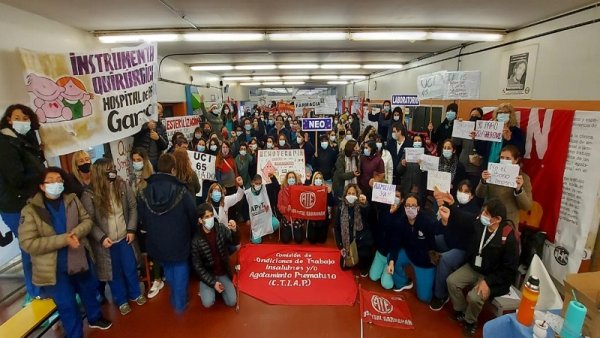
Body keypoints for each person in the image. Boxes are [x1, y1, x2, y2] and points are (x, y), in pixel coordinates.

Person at [19, 167, 112, 337]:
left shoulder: (72, 199)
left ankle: (95, 318)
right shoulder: (30, 210)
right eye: (51, 181)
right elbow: (28, 243)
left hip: (79, 257)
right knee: (67, 303)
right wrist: (63, 240)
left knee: (88, 291)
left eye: (59, 180)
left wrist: (76, 233)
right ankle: (75, 333)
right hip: (54, 268)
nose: (56, 183)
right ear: (41, 186)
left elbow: (86, 220)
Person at [442, 199, 519, 337]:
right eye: (483, 211)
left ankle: (470, 322)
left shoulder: (508, 238)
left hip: (491, 276)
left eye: (487, 213)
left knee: (474, 297)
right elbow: (464, 218)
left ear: (497, 219)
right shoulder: (480, 224)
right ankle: (462, 311)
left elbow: (509, 270)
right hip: (474, 267)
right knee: (452, 281)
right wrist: (452, 206)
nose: (482, 214)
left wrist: (488, 282)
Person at [81, 158, 146, 315]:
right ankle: (121, 300)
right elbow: (88, 220)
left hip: (125, 237)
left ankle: (135, 293)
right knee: (114, 273)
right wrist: (101, 237)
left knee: (130, 267)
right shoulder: (89, 195)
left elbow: (132, 207)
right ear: (100, 173)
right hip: (107, 242)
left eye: (113, 168)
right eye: (109, 169)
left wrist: (131, 229)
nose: (113, 171)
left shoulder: (122, 185)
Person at [138, 154, 197, 313]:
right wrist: (193, 233)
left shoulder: (144, 192)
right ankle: (179, 301)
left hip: (156, 241)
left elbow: (141, 217)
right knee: (180, 267)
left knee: (167, 266)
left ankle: (176, 294)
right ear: (173, 170)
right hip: (179, 239)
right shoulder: (181, 190)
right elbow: (192, 214)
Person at [0, 104, 45, 301]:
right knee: (29, 247)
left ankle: (43, 288)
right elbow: (16, 177)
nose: (23, 121)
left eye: (26, 118)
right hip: (16, 205)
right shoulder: (5, 143)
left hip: (28, 201)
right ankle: (35, 293)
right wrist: (42, 177)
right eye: (18, 117)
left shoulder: (24, 140)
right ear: (9, 120)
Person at [429, 182, 480, 311]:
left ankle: (440, 295)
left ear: (472, 195)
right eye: (460, 190)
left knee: (445, 259)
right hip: (449, 241)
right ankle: (426, 274)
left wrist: (451, 211)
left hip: (462, 248)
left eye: (466, 191)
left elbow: (463, 221)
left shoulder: (475, 211)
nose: (462, 193)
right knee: (433, 238)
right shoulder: (454, 204)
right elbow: (439, 228)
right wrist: (444, 222)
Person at [386, 194, 436, 302]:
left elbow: (434, 246)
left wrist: (430, 261)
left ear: (418, 208)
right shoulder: (401, 222)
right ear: (404, 208)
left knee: (424, 298)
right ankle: (403, 282)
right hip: (409, 254)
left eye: (413, 206)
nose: (410, 208)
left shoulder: (428, 222)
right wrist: (391, 262)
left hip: (424, 261)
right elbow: (395, 243)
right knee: (391, 258)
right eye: (407, 205)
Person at [129, 148, 164, 299]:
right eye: (134, 160)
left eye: (139, 159)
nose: (137, 163)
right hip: (137, 221)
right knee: (143, 251)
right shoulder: (130, 180)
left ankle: (157, 279)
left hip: (151, 221)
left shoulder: (152, 178)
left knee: (155, 249)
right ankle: (147, 276)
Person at [191, 203, 239, 308]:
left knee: (232, 302)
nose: (210, 218)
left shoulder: (220, 228)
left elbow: (234, 241)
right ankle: (209, 288)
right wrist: (213, 283)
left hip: (222, 273)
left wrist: (235, 230)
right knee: (207, 303)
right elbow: (197, 267)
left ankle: (219, 288)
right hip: (209, 275)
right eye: (206, 217)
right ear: (200, 220)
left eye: (211, 215)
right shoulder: (196, 241)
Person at [476, 145, 532, 224]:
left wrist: (519, 190)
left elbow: (527, 206)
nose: (504, 160)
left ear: (516, 160)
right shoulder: (491, 172)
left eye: (508, 158)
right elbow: (479, 194)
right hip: (488, 217)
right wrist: (483, 181)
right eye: (502, 158)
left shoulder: (524, 178)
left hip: (508, 221)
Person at [334, 184, 372, 276]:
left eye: (353, 193)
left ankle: (364, 264)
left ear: (357, 195)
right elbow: (337, 227)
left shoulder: (361, 205)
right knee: (344, 267)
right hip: (348, 242)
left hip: (362, 242)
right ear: (345, 194)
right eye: (349, 193)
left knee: (362, 264)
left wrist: (365, 204)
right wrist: (340, 245)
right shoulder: (341, 207)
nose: (351, 195)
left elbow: (369, 214)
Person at [369, 188, 403, 289]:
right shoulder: (384, 210)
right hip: (380, 252)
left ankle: (389, 269)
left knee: (387, 285)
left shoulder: (403, 216)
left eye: (398, 196)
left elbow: (396, 239)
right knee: (373, 277)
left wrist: (392, 259)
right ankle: (380, 266)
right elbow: (381, 226)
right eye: (394, 195)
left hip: (391, 254)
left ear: (402, 200)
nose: (395, 198)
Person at [244, 174, 280, 244]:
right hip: (256, 221)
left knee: (276, 223)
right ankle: (259, 233)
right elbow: (244, 207)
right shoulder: (247, 193)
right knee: (256, 242)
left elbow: (276, 186)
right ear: (252, 183)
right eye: (256, 183)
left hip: (266, 218)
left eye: (260, 183)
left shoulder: (265, 188)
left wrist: (273, 177)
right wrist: (246, 219)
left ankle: (266, 232)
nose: (258, 185)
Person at [456, 108, 484, 189]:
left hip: (475, 168)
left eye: (476, 115)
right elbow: (456, 142)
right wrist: (458, 126)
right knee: (460, 188)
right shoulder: (465, 128)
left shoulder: (484, 131)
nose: (474, 117)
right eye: (472, 115)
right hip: (462, 165)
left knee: (471, 190)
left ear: (481, 117)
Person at [132, 103, 168, 168]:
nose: (156, 113)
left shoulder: (162, 127)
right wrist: (146, 127)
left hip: (156, 161)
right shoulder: (141, 124)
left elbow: (165, 145)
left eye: (158, 112)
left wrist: (158, 138)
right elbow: (133, 134)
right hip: (142, 159)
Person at [398, 134, 427, 207]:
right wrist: (402, 164)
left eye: (419, 140)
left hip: (420, 190)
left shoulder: (426, 156)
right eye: (415, 140)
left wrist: (424, 167)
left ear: (422, 142)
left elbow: (429, 175)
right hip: (406, 189)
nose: (417, 142)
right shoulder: (406, 154)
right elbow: (398, 171)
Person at [306, 172, 336, 244]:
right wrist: (307, 180)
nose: (318, 180)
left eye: (320, 178)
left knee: (322, 240)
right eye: (316, 178)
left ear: (322, 180)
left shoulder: (326, 189)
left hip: (323, 218)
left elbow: (332, 203)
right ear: (313, 180)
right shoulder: (310, 188)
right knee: (312, 240)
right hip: (312, 218)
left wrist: (329, 193)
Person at [277, 172, 305, 244]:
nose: (291, 179)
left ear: (295, 179)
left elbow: (304, 203)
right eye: (289, 177)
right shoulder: (282, 191)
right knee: (285, 240)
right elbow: (279, 206)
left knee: (299, 240)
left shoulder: (301, 189)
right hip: (287, 217)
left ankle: (300, 228)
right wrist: (286, 209)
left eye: (293, 177)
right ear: (287, 179)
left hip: (297, 217)